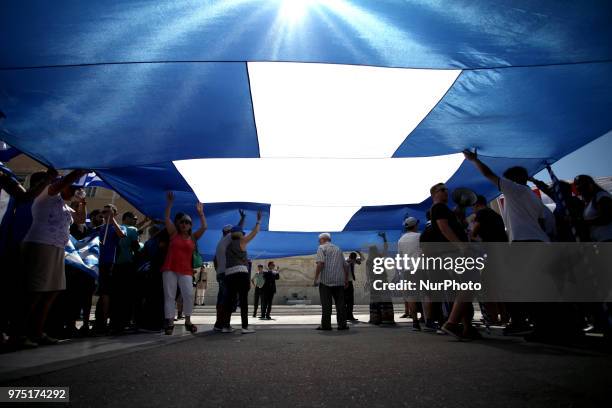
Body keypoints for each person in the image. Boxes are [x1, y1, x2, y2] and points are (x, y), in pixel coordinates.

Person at [463, 149, 551, 336]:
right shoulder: (532, 197)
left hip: (523, 243)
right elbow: (544, 220)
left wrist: (474, 160)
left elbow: (488, 174)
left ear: (512, 180)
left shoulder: (513, 189)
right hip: (540, 242)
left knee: (517, 285)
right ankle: (542, 325)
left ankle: (523, 323)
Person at [20, 169, 87, 346]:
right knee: (35, 291)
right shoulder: (44, 195)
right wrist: (81, 170)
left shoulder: (63, 204)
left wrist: (82, 202)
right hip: (41, 245)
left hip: (57, 249)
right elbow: (62, 183)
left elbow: (80, 219)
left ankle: (37, 332)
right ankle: (19, 334)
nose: (72, 189)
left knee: (51, 292)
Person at [427, 182, 479, 340]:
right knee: (469, 284)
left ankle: (466, 328)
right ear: (434, 194)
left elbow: (455, 224)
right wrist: (461, 246)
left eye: (446, 190)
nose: (446, 192)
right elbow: (444, 227)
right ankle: (451, 323)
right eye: (442, 190)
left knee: (463, 289)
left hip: (451, 252)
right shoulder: (438, 207)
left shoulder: (445, 209)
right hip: (453, 252)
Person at [162, 191, 207, 335]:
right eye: (182, 221)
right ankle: (169, 322)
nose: (184, 224)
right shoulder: (173, 233)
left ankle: (188, 320)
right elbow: (167, 218)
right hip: (170, 268)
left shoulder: (193, 238)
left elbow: (204, 227)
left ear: (190, 225)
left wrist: (200, 213)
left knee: (188, 295)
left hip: (186, 270)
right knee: (169, 296)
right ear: (178, 223)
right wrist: (170, 204)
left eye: (187, 222)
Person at [222, 211, 262, 334]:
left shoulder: (227, 242)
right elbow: (254, 233)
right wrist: (258, 220)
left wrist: (242, 219)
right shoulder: (242, 241)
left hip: (229, 275)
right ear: (240, 234)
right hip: (241, 273)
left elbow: (237, 228)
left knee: (230, 300)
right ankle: (244, 327)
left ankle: (226, 326)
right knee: (243, 301)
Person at [93, 204, 126, 334]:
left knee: (106, 292)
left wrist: (113, 220)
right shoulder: (100, 228)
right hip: (96, 263)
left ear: (115, 214)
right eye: (103, 211)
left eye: (108, 211)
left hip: (109, 263)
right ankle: (99, 320)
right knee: (101, 293)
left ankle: (105, 321)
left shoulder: (116, 227)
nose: (105, 214)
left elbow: (122, 235)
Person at [213, 210, 246, 331]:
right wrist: (243, 218)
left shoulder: (220, 243)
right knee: (229, 299)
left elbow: (215, 261)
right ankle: (225, 324)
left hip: (221, 274)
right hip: (227, 275)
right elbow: (238, 228)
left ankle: (218, 324)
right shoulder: (228, 238)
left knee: (221, 299)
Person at [397, 216, 430, 330]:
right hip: (421, 269)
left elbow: (400, 257)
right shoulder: (420, 236)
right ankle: (429, 321)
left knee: (410, 296)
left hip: (407, 271)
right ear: (415, 225)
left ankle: (415, 322)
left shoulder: (400, 240)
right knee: (425, 294)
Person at [111, 211, 141, 333]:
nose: (135, 221)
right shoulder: (132, 229)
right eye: (134, 218)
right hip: (128, 266)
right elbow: (136, 248)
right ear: (126, 218)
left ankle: (114, 323)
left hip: (115, 266)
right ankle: (124, 323)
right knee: (127, 296)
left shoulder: (115, 228)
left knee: (116, 296)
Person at [314, 233, 349, 331]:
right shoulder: (338, 249)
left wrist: (316, 278)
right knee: (341, 305)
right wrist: (346, 280)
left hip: (326, 281)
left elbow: (320, 263)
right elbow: (345, 266)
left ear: (323, 239)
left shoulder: (321, 248)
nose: (318, 242)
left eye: (319, 240)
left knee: (326, 305)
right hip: (339, 281)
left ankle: (326, 326)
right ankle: (342, 325)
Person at [574, 175, 612, 242]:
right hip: (599, 240)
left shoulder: (601, 196)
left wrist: (585, 223)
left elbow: (607, 217)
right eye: (578, 188)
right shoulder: (589, 201)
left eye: (583, 187)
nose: (581, 191)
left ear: (590, 185)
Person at [345, 252, 362, 322]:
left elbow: (362, 259)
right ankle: (346, 315)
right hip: (345, 282)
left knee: (351, 300)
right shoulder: (346, 261)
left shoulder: (353, 261)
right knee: (346, 300)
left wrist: (359, 252)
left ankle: (350, 315)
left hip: (350, 282)